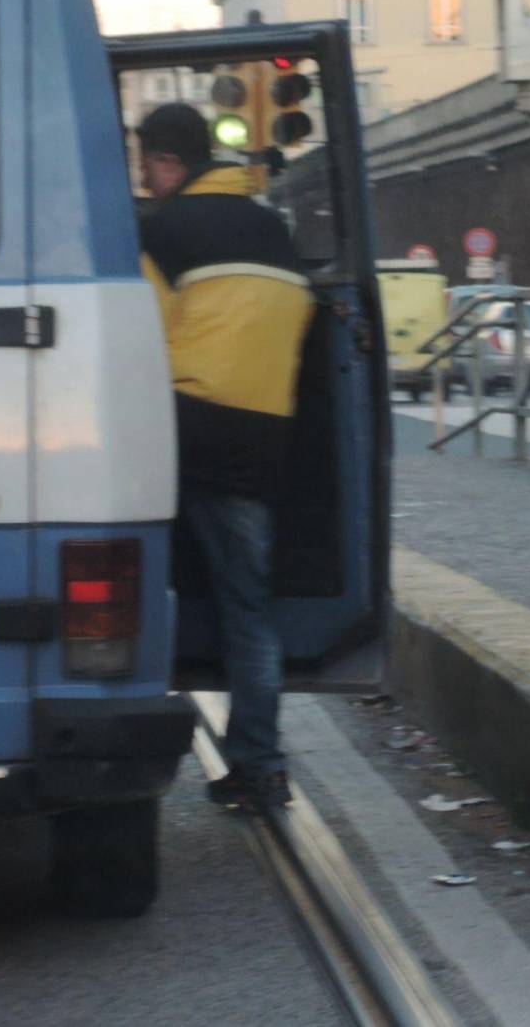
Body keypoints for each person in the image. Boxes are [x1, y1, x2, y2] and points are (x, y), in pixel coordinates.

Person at [136, 102, 313, 812]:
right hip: (263, 433)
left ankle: (116, 728)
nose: (144, 179)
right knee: (249, 606)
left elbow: (136, 337)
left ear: (172, 164)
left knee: (128, 583)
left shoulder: (163, 230)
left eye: (147, 164)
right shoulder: (273, 226)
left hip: (183, 423)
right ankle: (260, 765)